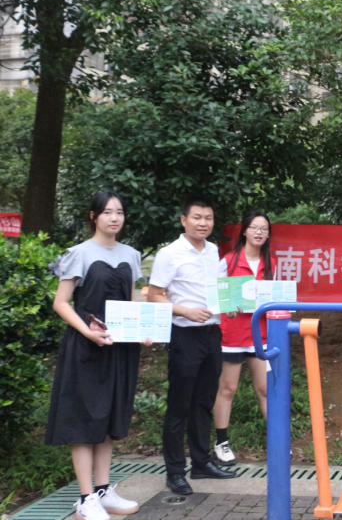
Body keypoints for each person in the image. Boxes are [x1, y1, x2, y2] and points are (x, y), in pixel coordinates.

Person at [46, 191, 145, 520]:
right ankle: (86, 499)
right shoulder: (79, 253)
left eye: (119, 212)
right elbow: (61, 302)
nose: (114, 218)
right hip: (86, 349)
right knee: (84, 419)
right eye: (107, 212)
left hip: (120, 349)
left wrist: (143, 330)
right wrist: (87, 332)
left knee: (109, 418)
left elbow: (131, 303)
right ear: (93, 216)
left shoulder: (131, 255)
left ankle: (103, 492)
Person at [147, 198, 237, 495]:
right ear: (184, 220)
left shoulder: (213, 252)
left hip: (212, 335)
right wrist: (184, 311)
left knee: (204, 402)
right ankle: (175, 472)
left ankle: (201, 463)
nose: (203, 223)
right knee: (180, 404)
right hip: (184, 335)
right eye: (197, 217)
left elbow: (217, 292)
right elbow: (154, 295)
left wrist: (230, 305)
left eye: (208, 218)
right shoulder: (169, 253)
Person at [211, 211, 275, 466]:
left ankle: (277, 443)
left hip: (261, 336)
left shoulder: (270, 263)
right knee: (227, 389)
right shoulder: (228, 261)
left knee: (265, 389)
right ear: (245, 231)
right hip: (232, 335)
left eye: (264, 229)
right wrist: (225, 306)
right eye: (255, 227)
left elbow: (274, 298)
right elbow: (215, 297)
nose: (259, 232)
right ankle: (221, 443)